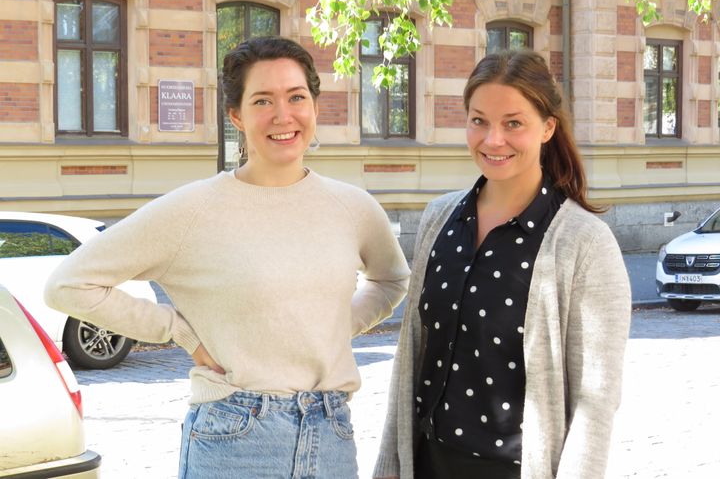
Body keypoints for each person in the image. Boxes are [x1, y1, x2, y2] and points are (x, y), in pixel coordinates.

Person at [45, 36, 411, 479]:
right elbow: (68, 284)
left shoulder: (353, 207)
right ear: (236, 115)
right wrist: (178, 331)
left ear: (315, 105)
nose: (283, 115)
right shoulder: (193, 209)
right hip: (236, 438)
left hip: (330, 433)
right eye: (262, 100)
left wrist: (332, 326)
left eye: (297, 97)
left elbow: (391, 281)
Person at [373, 50, 631, 479]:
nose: (493, 140)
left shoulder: (582, 243)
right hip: (426, 463)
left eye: (513, 123)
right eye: (479, 121)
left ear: (547, 127)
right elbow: (413, 364)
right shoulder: (440, 218)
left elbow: (595, 401)